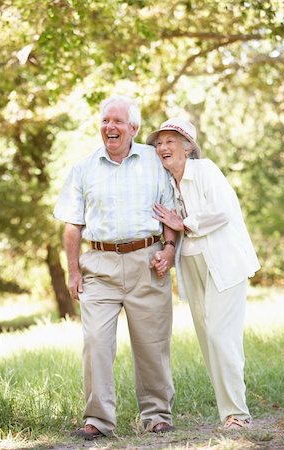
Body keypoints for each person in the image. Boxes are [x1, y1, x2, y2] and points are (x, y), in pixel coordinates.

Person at [54, 96, 176, 440]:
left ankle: (156, 414)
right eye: (106, 120)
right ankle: (98, 419)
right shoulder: (83, 168)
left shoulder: (154, 162)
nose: (110, 127)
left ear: (133, 128)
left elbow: (169, 212)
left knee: (152, 343)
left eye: (118, 121)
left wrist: (168, 249)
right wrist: (73, 271)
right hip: (99, 265)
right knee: (95, 342)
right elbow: (71, 225)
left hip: (147, 262)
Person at [147, 118, 260, 430]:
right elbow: (167, 222)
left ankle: (239, 413)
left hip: (225, 262)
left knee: (220, 335)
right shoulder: (167, 182)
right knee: (207, 338)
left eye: (170, 141)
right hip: (192, 263)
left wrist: (186, 223)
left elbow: (223, 210)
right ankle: (229, 412)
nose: (163, 147)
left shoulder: (206, 170)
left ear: (187, 147)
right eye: (159, 143)